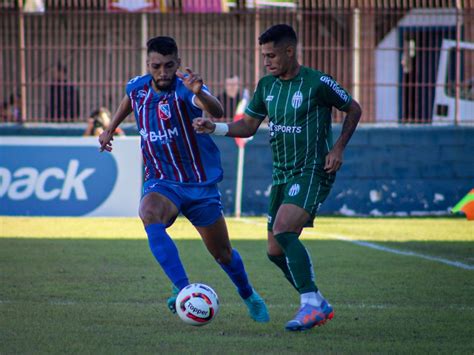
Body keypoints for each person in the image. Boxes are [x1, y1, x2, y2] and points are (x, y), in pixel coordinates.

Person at [193, 24, 362, 331]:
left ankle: (310, 303)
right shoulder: (267, 85)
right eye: (264, 56)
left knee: (284, 229)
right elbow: (247, 126)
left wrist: (338, 148)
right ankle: (317, 302)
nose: (267, 61)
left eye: (271, 55)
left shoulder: (318, 82)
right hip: (282, 173)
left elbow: (354, 108)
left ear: (289, 51)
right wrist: (213, 128)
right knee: (273, 251)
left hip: (312, 169)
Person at [98, 36, 269, 323]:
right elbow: (130, 98)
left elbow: (215, 110)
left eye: (168, 66)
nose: (162, 72)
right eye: (156, 66)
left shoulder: (185, 89)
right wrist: (110, 128)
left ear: (178, 62)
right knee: (149, 212)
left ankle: (248, 294)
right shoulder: (138, 86)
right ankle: (183, 290)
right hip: (163, 180)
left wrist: (200, 93)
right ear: (148, 65)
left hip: (199, 184)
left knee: (223, 254)